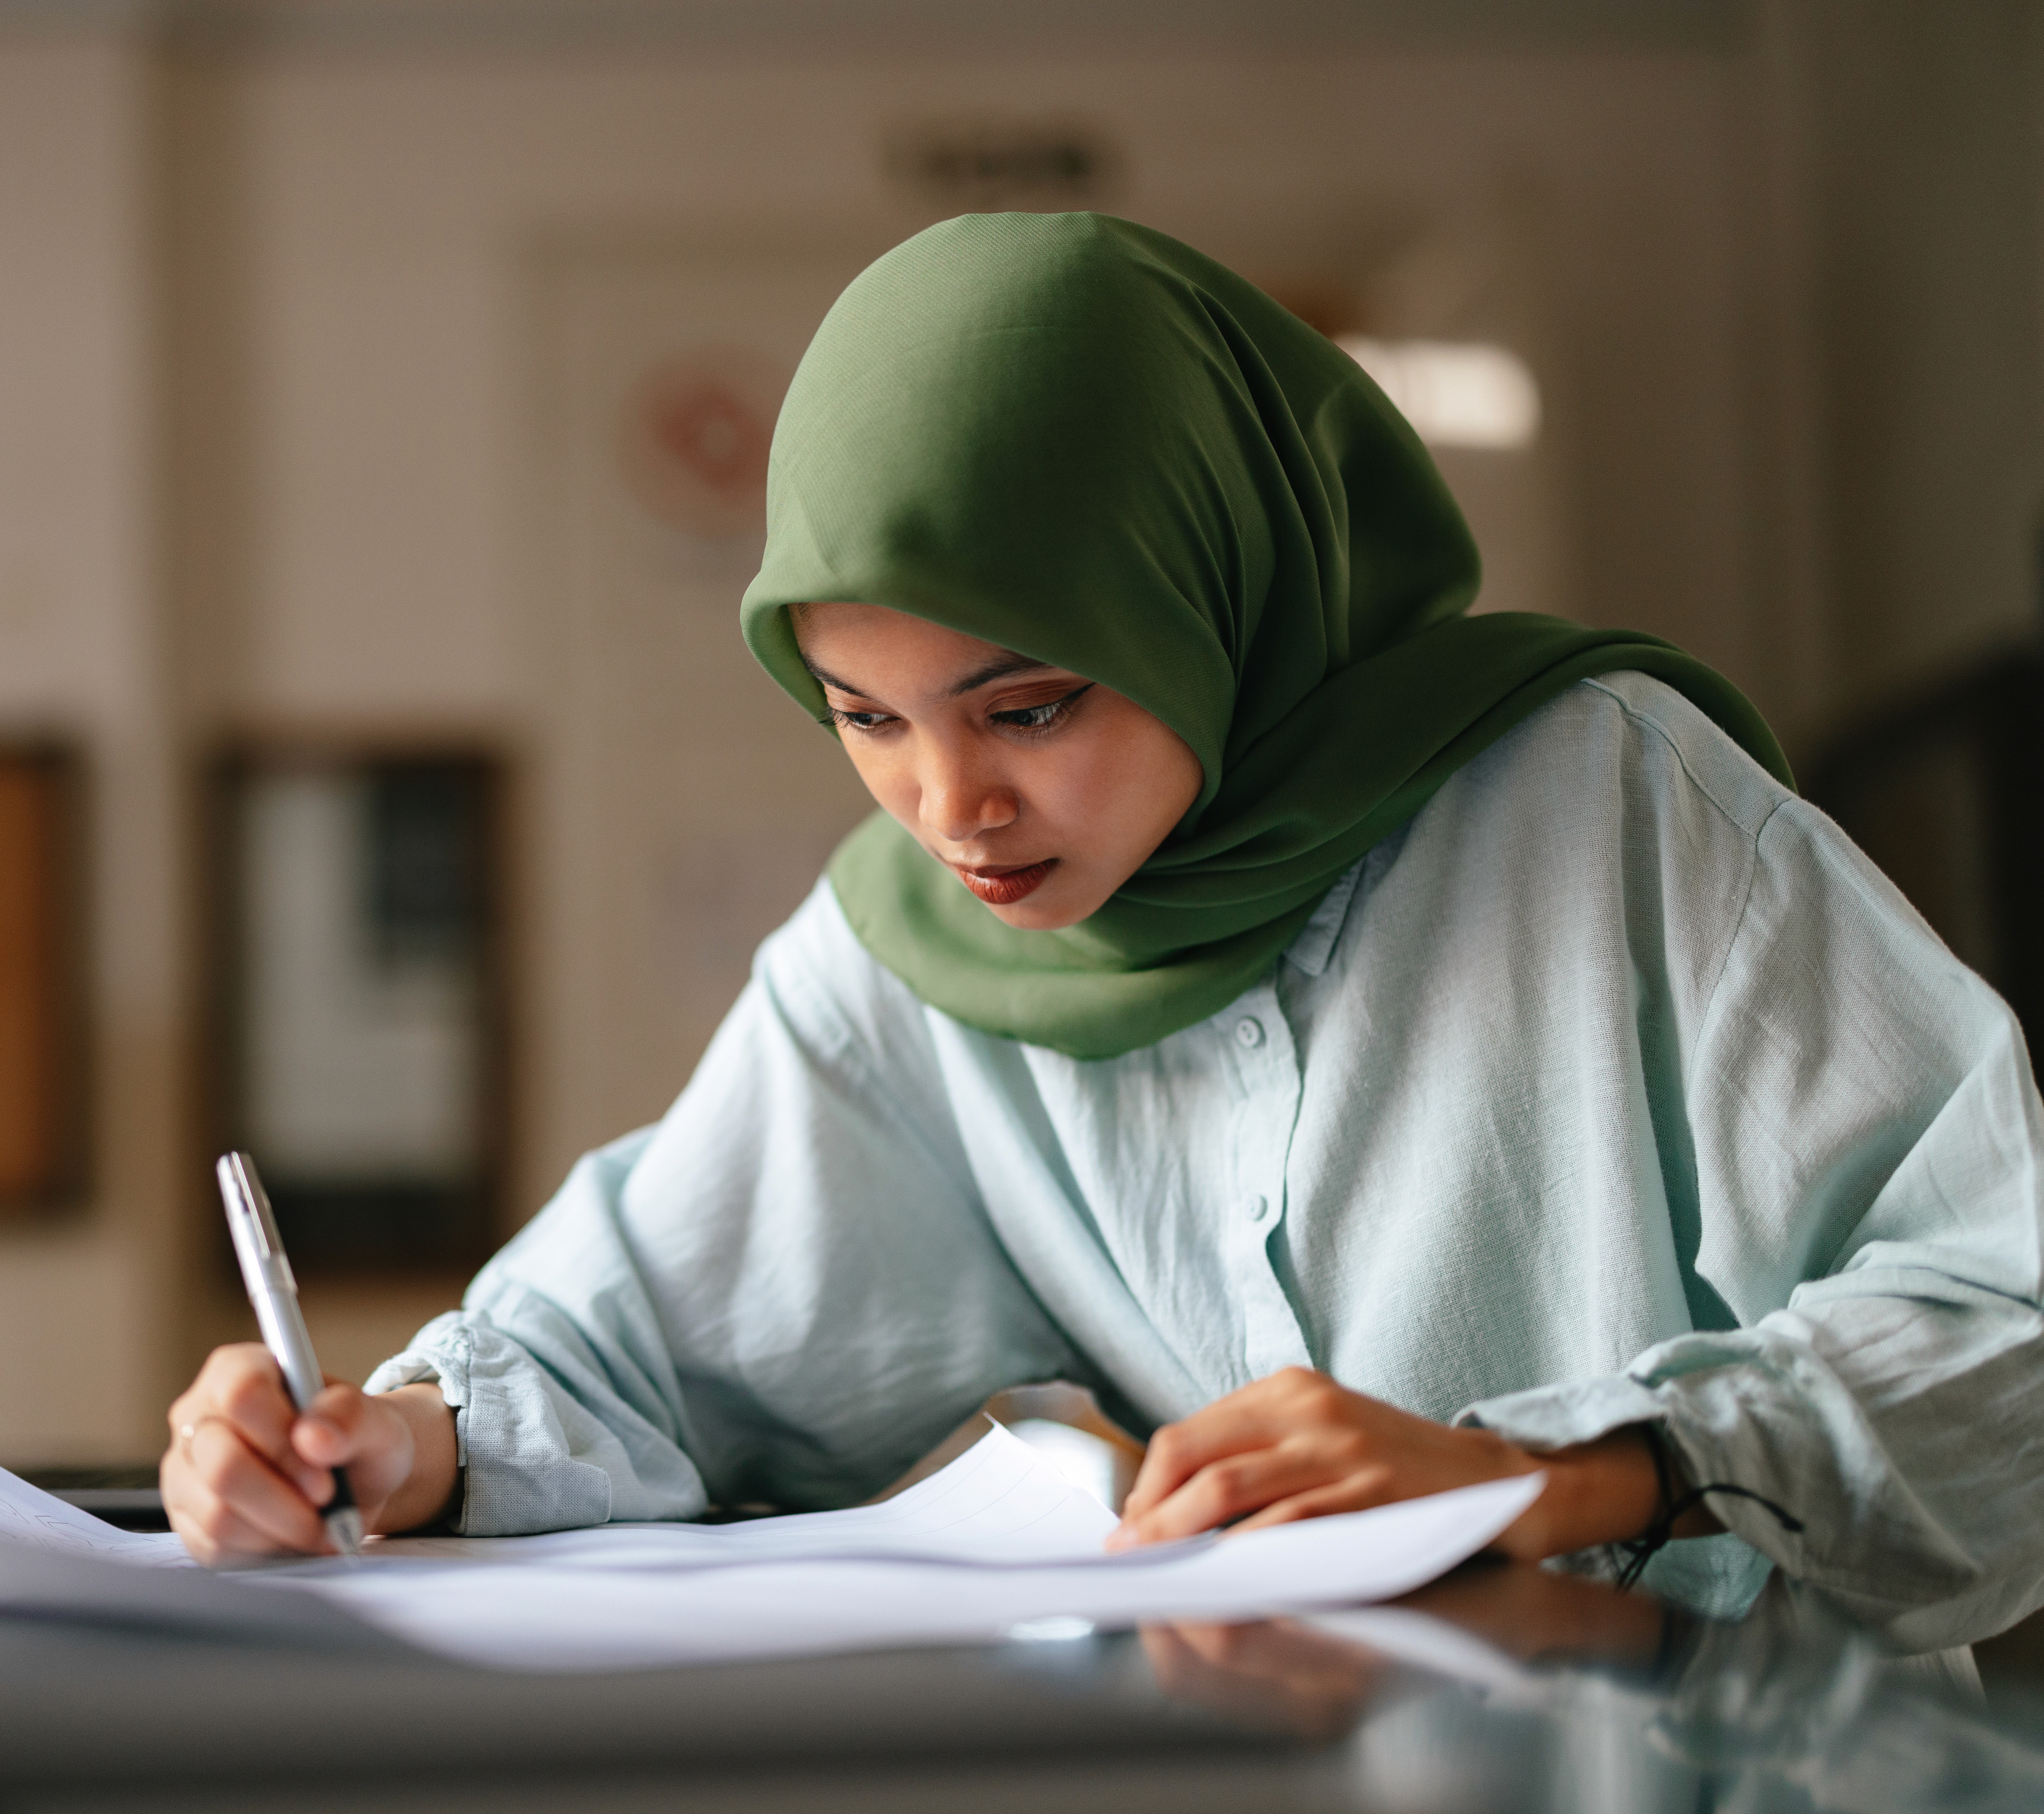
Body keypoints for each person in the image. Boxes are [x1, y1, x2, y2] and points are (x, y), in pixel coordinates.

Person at [161, 212, 2044, 1657]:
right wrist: (389, 1442)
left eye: (1032, 703)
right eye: (866, 714)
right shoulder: (905, 964)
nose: (948, 805)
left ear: (1212, 590)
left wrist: (1566, 1469)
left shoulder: (1605, 807)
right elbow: (641, 1336)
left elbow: (2007, 1315)